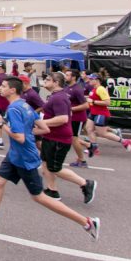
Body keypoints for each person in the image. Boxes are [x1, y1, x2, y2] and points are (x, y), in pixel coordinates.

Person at [0, 77, 100, 242]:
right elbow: (43, 128)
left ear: (12, 90)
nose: (0, 88)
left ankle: (87, 222)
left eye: (3, 86)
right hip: (15, 155)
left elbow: (20, 137)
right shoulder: (25, 105)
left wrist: (2, 124)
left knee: (39, 197)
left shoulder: (14, 109)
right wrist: (27, 133)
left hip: (24, 157)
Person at [37, 73, 97, 203]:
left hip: (58, 139)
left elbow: (63, 118)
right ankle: (52, 190)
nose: (44, 81)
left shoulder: (59, 97)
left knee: (55, 168)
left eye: (47, 79)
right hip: (50, 136)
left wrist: (41, 123)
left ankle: (85, 183)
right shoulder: (56, 96)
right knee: (46, 164)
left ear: (56, 82)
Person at [84, 74, 131, 155]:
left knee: (102, 133)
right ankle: (94, 147)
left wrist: (93, 102)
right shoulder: (94, 89)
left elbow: (107, 102)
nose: (89, 80)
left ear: (97, 80)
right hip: (93, 113)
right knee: (88, 129)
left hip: (101, 114)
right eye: (89, 79)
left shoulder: (101, 89)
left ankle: (125, 141)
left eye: (91, 79)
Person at [64, 70, 91, 168]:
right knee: (71, 138)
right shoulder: (67, 88)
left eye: (67, 75)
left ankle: (82, 160)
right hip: (70, 118)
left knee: (74, 139)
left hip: (78, 118)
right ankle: (88, 147)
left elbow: (86, 105)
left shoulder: (77, 89)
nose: (65, 77)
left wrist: (71, 109)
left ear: (74, 77)